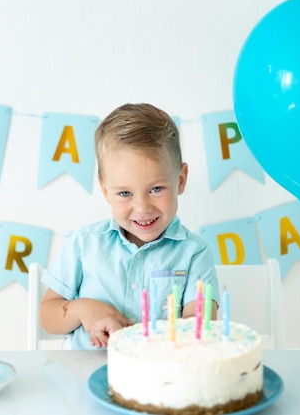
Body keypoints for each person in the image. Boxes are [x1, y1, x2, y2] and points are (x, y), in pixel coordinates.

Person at [39, 103, 219, 350]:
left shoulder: (195, 253)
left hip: (162, 380)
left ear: (181, 180)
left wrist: (146, 336)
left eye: (156, 189)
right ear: (105, 190)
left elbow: (200, 328)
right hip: (84, 378)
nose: (143, 207)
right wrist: (83, 309)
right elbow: (47, 316)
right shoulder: (84, 243)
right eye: (125, 193)